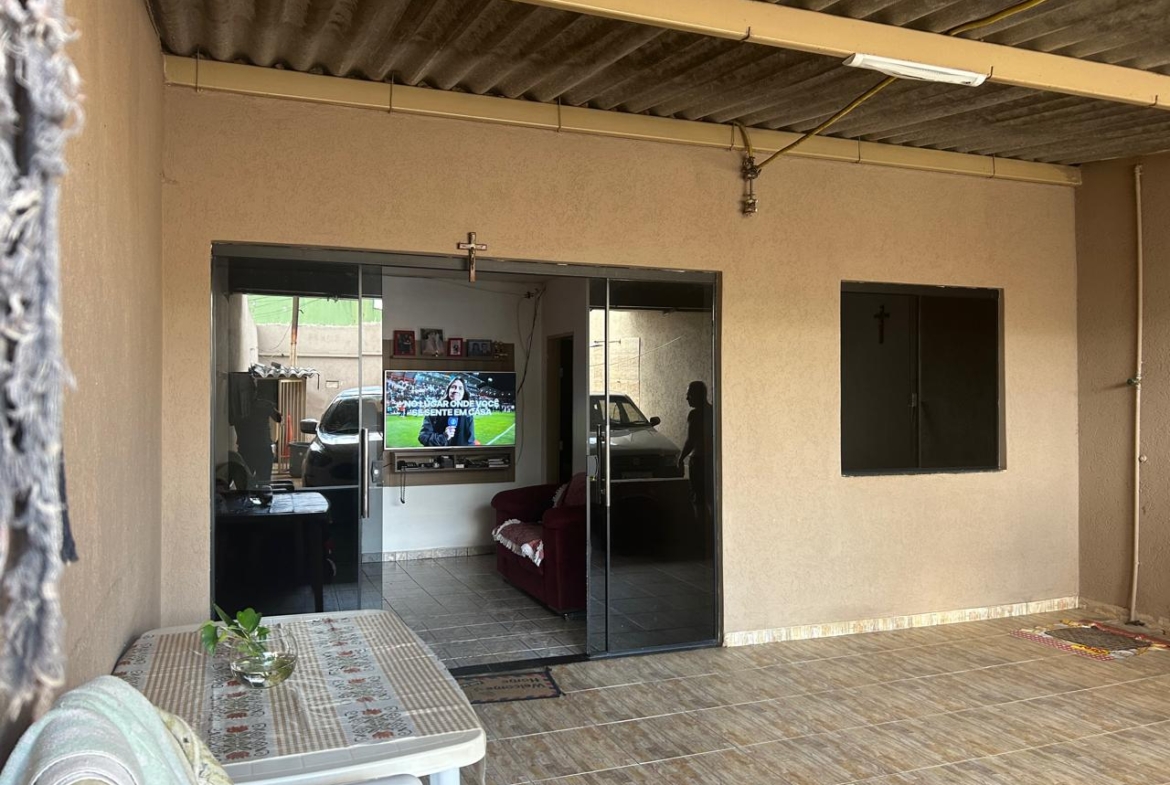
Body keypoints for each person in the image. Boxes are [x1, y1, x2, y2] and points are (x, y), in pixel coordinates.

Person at [678, 380, 714, 525]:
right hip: (712, 459)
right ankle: (712, 528)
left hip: (698, 461)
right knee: (711, 497)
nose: (687, 398)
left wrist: (681, 458)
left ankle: (701, 529)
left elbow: (691, 441)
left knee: (698, 499)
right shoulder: (713, 411)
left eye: (689, 395)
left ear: (698, 395)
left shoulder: (694, 415)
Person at [235, 383, 282, 487]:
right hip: (262, 448)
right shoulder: (264, 405)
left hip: (246, 448)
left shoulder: (239, 407)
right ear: (255, 392)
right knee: (264, 483)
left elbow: (233, 422)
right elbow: (278, 418)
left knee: (246, 484)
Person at [418, 377, 478, 447]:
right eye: (453, 387)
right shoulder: (435, 410)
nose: (456, 390)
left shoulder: (467, 413)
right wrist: (444, 437)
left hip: (459, 453)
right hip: (439, 453)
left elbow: (470, 441)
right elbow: (423, 437)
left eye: (460, 388)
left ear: (464, 393)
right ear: (448, 390)